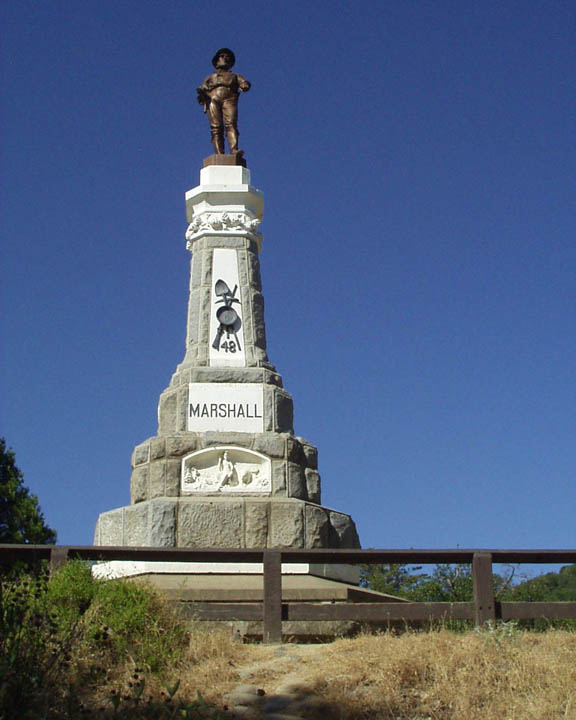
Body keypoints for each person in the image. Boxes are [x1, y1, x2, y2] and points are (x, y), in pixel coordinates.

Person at [197, 48, 251, 156]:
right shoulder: (210, 77)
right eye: (222, 56)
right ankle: (219, 153)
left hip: (229, 99)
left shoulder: (235, 76)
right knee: (216, 127)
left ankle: (234, 149)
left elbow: (245, 84)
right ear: (217, 60)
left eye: (227, 57)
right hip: (213, 98)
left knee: (231, 124)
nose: (225, 59)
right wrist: (202, 93)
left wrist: (245, 85)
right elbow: (201, 92)